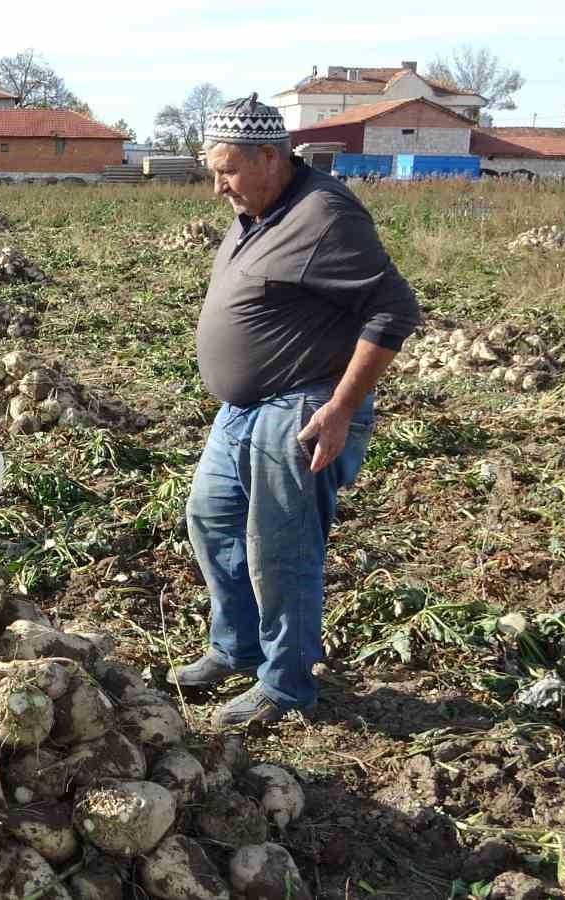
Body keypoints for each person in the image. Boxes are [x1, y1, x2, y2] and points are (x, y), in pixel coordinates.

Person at [169, 94, 422, 726]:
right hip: (243, 408)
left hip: (303, 403)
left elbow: (393, 310)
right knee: (211, 518)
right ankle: (237, 648)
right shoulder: (254, 209)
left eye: (228, 170)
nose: (218, 186)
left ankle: (286, 683)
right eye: (213, 171)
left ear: (269, 157)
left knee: (280, 548)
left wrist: (341, 407)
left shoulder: (324, 214)